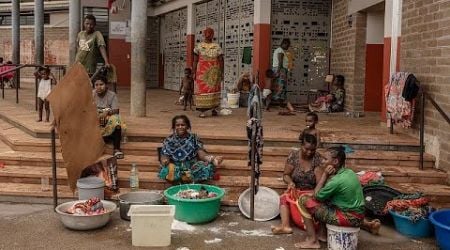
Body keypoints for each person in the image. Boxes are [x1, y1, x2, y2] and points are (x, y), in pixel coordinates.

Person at [296, 147, 372, 249]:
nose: (322, 161)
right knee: (325, 200)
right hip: (358, 216)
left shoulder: (336, 181)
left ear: (335, 161)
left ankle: (312, 240)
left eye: (325, 159)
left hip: (348, 218)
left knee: (303, 200)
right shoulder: (349, 172)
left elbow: (317, 196)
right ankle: (323, 235)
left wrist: (324, 175)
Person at [271, 134, 323, 235]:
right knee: (284, 197)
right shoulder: (293, 156)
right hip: (296, 191)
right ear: (301, 146)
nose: (309, 152)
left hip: (311, 192)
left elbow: (320, 183)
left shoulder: (317, 159)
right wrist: (290, 182)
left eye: (312, 150)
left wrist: (313, 194)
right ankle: (285, 226)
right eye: (306, 149)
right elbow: (286, 175)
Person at [158, 115, 223, 183]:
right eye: (177, 125)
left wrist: (212, 158)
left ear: (187, 126)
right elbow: (164, 155)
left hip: (191, 166)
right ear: (174, 127)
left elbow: (201, 154)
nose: (180, 127)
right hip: (175, 167)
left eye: (183, 125)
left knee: (207, 167)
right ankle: (185, 177)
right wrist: (165, 161)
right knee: (166, 170)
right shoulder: (168, 140)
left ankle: (185, 177)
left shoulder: (194, 138)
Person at [192, 27, 224, 118]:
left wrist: (221, 72)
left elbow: (221, 60)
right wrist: (193, 72)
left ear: (213, 35)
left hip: (214, 71)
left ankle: (214, 109)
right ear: (204, 34)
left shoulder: (217, 46)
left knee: (214, 90)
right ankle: (202, 111)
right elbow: (195, 61)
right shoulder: (198, 46)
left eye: (210, 33)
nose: (208, 35)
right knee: (202, 90)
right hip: (201, 71)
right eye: (207, 33)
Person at [92, 76, 125, 159]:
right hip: (95, 122)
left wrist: (106, 113)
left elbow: (116, 110)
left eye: (101, 84)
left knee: (116, 119)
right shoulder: (91, 95)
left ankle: (117, 149)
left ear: (106, 85)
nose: (99, 87)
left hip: (108, 122)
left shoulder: (112, 95)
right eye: (96, 85)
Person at [271, 38, 294, 113]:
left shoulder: (279, 50)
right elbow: (280, 62)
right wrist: (278, 71)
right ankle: (275, 98)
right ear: (284, 43)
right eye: (288, 45)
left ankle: (280, 103)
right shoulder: (280, 51)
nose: (288, 47)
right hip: (281, 70)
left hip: (281, 70)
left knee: (281, 86)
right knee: (281, 86)